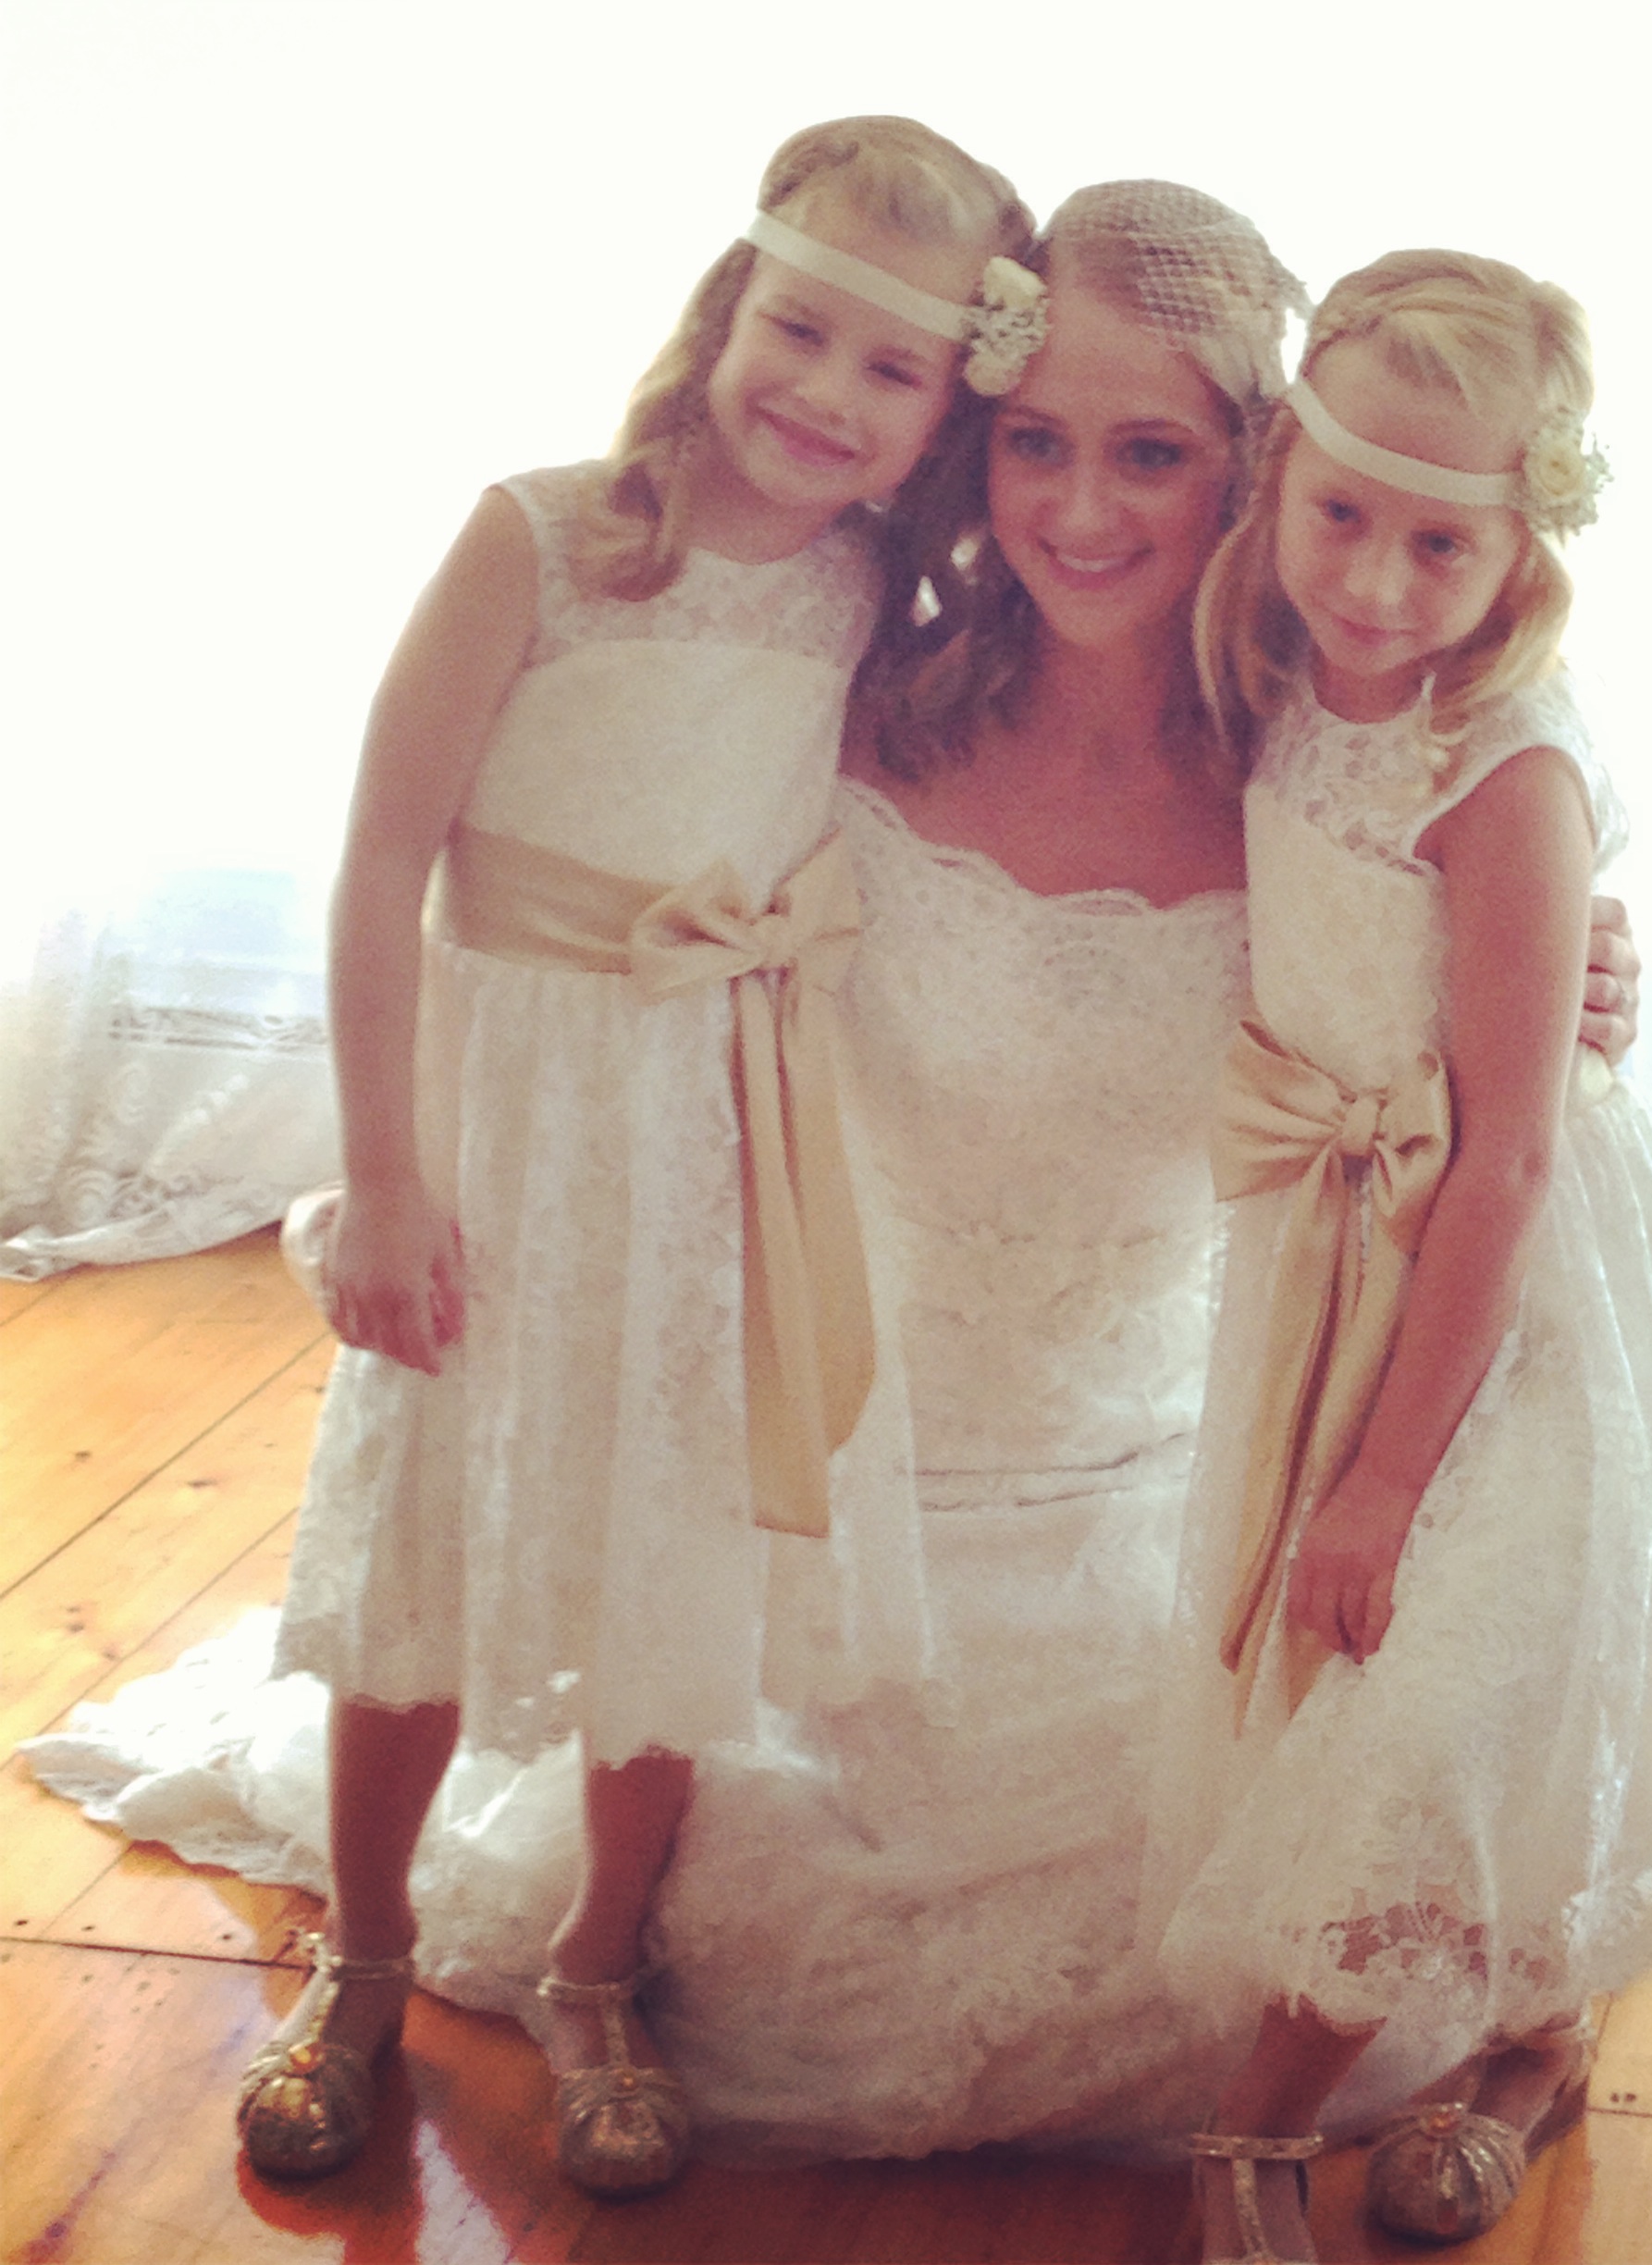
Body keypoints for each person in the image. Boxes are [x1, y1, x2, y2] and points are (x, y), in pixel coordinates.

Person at [24, 183, 1646, 2166]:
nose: (1081, 510)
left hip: (1137, 1489)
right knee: (726, 1898)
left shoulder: (1321, 762)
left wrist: (1590, 969)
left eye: (1152, 453)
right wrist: (405, 1172)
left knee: (1245, 1910)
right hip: (801, 1459)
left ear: (1255, 466)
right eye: (1034, 442)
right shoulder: (853, 679)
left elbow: (1471, 978)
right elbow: (546, 842)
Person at [225, 115, 1035, 2195]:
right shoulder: (547, 537)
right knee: (428, 1537)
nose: (827, 392)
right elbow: (383, 857)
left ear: (945, 412)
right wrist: (385, 1179)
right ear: (729, 306)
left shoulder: (870, 594)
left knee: (673, 1536)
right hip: (509, 1119)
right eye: (802, 328)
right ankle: (368, 1955)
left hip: (715, 1131)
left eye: (892, 367)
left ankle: (599, 1963)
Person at [1153, 248, 1652, 2263]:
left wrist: (1383, 1478)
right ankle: (1534, 2036)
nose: (1377, 581)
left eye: (1443, 542)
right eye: (1344, 514)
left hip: (1510, 1293)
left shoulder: (1503, 765)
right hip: (1338, 1254)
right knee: (1376, 1691)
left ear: (1527, 546)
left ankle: (1259, 2133)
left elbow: (1507, 1152)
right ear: (1278, 479)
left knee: (1433, 1678)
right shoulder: (1276, 681)